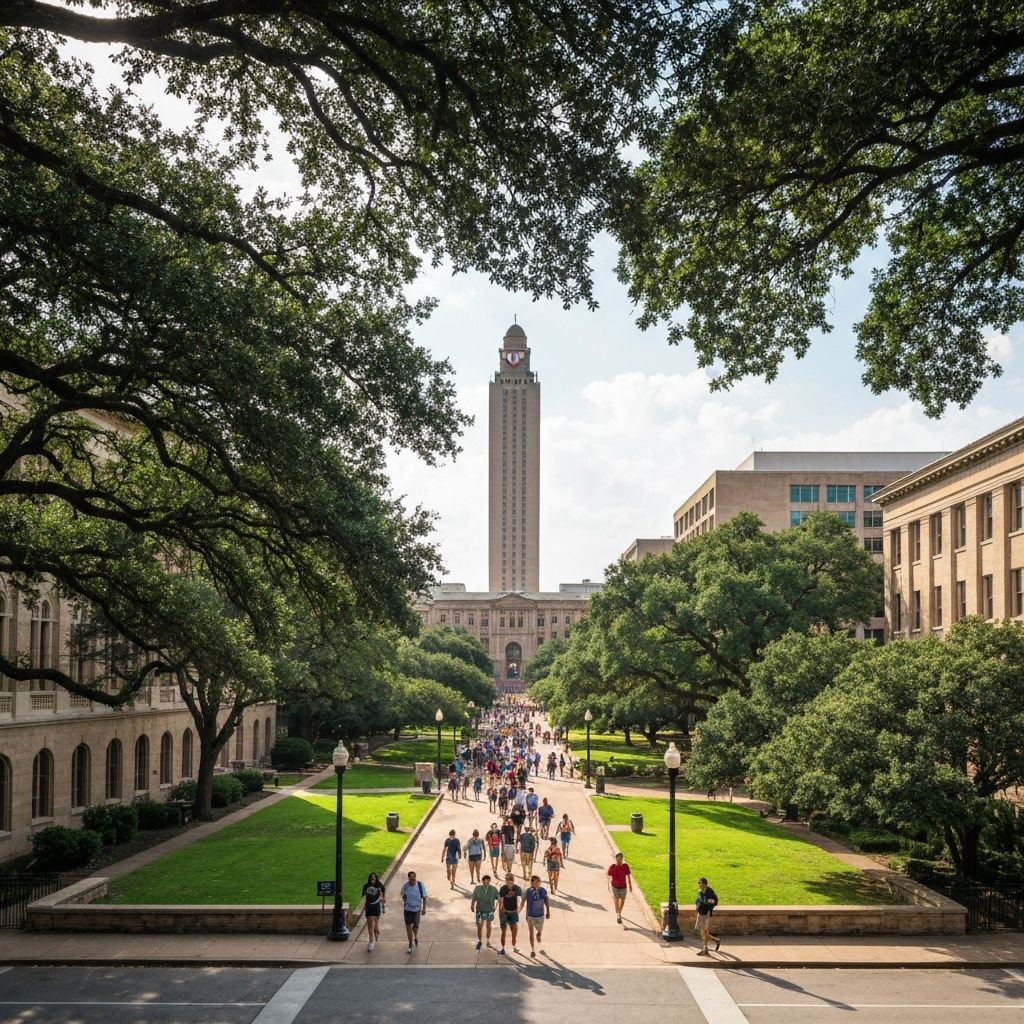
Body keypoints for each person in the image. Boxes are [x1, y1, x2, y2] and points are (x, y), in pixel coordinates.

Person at [521, 874, 550, 957]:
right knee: (531, 933)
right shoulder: (528, 891)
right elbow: (523, 902)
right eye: (536, 882)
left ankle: (539, 934)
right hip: (530, 916)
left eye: (539, 882)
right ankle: (533, 950)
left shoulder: (543, 890)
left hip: (540, 915)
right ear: (532, 883)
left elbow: (546, 901)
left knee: (540, 930)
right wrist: (519, 911)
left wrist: (548, 912)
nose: (538, 884)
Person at [471, 873, 500, 951]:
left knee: (488, 926)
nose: (486, 883)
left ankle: (488, 940)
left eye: (488, 882)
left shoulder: (493, 889)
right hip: (480, 910)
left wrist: (496, 907)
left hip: (489, 910)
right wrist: (472, 905)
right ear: (482, 881)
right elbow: (474, 898)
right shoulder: (477, 888)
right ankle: (480, 940)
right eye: (485, 882)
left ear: (489, 881)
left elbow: (499, 898)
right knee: (479, 926)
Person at [399, 870, 427, 953]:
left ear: (415, 877)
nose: (412, 881)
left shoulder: (420, 885)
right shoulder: (405, 886)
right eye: (411, 879)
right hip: (407, 910)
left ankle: (415, 936)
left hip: (417, 910)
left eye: (414, 879)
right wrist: (405, 902)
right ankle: (410, 945)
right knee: (408, 927)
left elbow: (424, 897)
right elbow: (402, 895)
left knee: (415, 927)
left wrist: (424, 909)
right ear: (408, 879)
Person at [497, 872, 523, 956]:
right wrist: (499, 911)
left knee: (514, 931)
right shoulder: (503, 889)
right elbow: (501, 900)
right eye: (507, 880)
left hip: (513, 912)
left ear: (513, 880)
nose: (508, 881)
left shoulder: (518, 889)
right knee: (503, 931)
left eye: (510, 880)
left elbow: (519, 899)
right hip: (504, 912)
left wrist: (518, 908)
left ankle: (514, 945)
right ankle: (503, 948)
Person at [695, 877, 721, 955]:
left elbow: (715, 901)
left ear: (705, 884)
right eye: (699, 883)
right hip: (700, 913)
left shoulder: (709, 891)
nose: (700, 885)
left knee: (703, 931)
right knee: (703, 931)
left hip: (706, 913)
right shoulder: (700, 891)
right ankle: (716, 940)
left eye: (701, 883)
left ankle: (705, 949)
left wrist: (713, 901)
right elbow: (699, 900)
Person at [361, 871, 385, 952]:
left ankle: (376, 930)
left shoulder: (379, 886)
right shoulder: (366, 886)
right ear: (369, 879)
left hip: (376, 907)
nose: (373, 880)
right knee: (370, 924)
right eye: (371, 879)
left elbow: (383, 896)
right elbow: (363, 896)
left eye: (374, 879)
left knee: (375, 926)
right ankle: (371, 941)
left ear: (376, 879)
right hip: (369, 907)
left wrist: (383, 900)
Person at [607, 852, 632, 924]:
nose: (620, 860)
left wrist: (630, 885)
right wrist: (609, 885)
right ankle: (618, 915)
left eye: (621, 859)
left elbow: (628, 875)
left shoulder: (625, 866)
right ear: (616, 859)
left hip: (623, 887)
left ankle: (619, 912)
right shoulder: (612, 867)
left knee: (623, 900)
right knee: (616, 901)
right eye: (619, 859)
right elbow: (608, 875)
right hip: (615, 887)